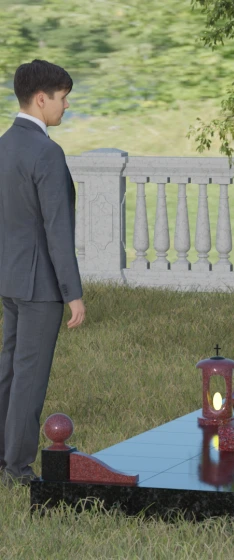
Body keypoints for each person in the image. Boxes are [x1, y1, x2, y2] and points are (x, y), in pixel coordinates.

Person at [0, 59, 86, 487]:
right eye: (62, 97)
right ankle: (17, 468)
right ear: (40, 99)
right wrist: (73, 293)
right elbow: (58, 228)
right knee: (29, 378)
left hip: (10, 278)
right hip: (40, 284)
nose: (66, 105)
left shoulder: (4, 145)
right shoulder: (47, 152)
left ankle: (4, 457)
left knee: (10, 369)